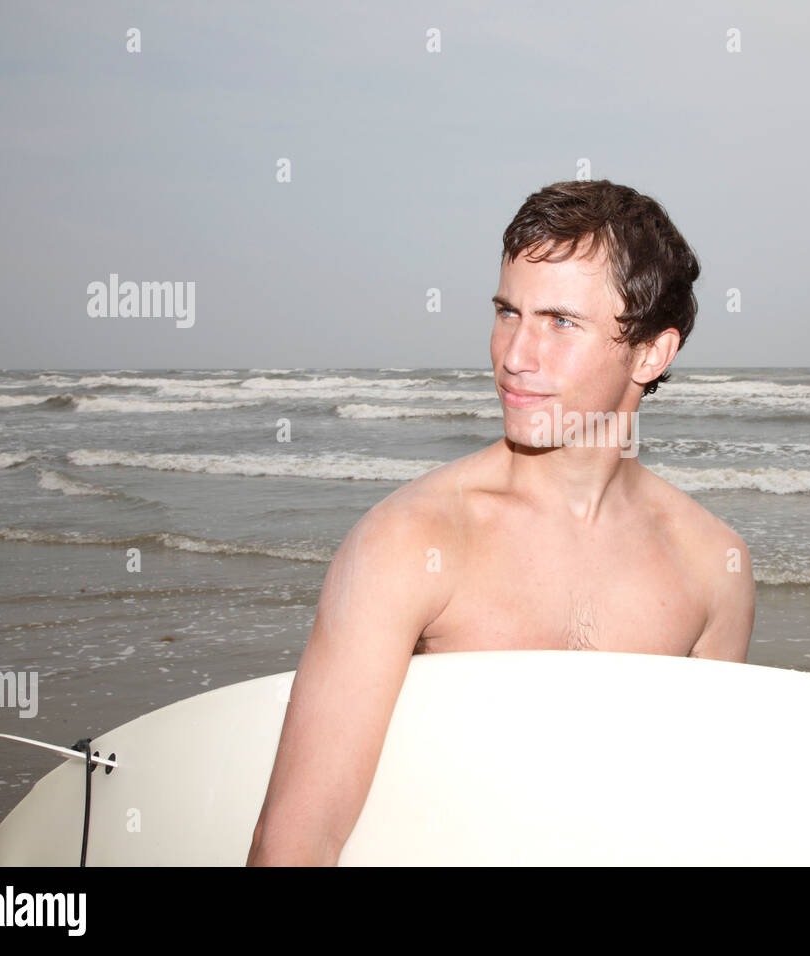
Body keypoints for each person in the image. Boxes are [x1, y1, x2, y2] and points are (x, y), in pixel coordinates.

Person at [246, 180, 755, 865]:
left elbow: (697, 819)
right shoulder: (412, 542)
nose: (515, 355)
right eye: (507, 312)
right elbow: (299, 840)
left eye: (559, 322)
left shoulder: (712, 567)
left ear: (651, 354)